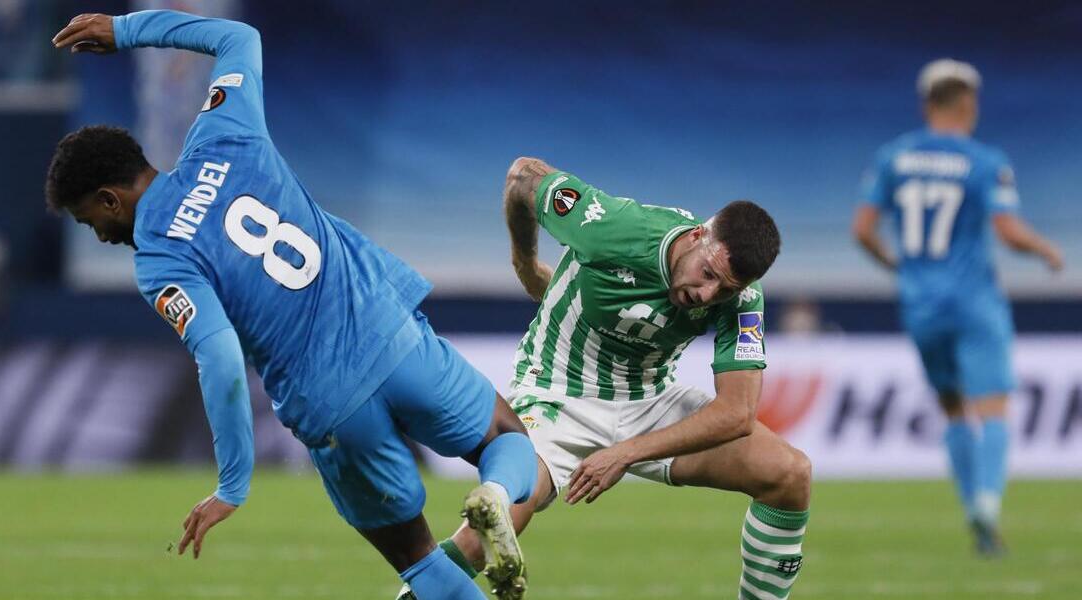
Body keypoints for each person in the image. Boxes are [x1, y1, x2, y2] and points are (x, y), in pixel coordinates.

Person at [45, 11, 538, 599]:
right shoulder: (224, 134)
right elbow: (236, 37)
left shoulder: (160, 261)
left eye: (90, 221)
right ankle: (496, 494)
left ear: (110, 199)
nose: (99, 235)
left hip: (330, 406)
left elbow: (220, 359)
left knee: (418, 560)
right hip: (390, 335)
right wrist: (126, 31)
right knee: (505, 437)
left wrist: (232, 484)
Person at [400, 158, 810, 600]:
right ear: (696, 236)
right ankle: (496, 503)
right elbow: (521, 178)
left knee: (789, 475)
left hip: (649, 400)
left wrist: (625, 453)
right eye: (707, 274)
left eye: (724, 289)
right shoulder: (613, 226)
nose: (707, 295)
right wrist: (525, 261)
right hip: (558, 390)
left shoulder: (742, 297)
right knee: (511, 509)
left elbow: (737, 413)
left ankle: (500, 494)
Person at [852, 59, 1063, 557]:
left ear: (927, 104)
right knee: (992, 407)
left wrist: (898, 267)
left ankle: (970, 504)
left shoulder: (894, 157)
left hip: (920, 305)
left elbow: (862, 230)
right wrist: (1045, 250)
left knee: (952, 407)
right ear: (969, 103)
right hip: (974, 302)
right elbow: (1008, 232)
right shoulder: (985, 161)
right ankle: (987, 502)